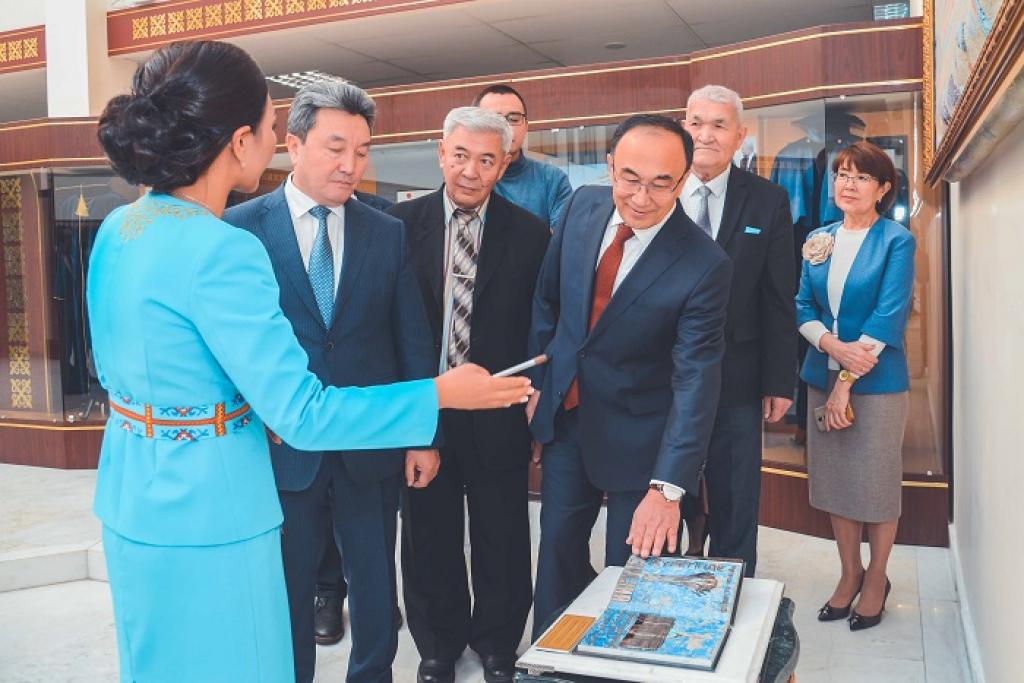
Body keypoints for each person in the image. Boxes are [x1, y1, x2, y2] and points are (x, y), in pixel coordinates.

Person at [90, 41, 532, 682]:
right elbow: (303, 413)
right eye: (271, 125)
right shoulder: (224, 247)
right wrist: (439, 394)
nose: (276, 137)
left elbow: (122, 369)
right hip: (213, 503)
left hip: (132, 491)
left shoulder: (120, 227)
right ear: (241, 141)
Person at [222, 80, 436, 683]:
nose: (350, 165)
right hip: (283, 447)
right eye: (336, 148)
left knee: (375, 587)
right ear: (293, 144)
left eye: (362, 152)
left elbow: (411, 338)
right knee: (289, 591)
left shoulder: (385, 230)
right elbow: (226, 349)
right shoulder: (240, 228)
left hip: (369, 444)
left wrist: (423, 434)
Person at [527, 114, 733, 638]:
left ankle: (616, 665)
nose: (641, 198)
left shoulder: (704, 263)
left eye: (661, 183)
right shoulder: (582, 206)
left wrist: (668, 489)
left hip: (643, 443)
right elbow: (548, 302)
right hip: (568, 422)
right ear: (610, 168)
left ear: (683, 181)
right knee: (556, 556)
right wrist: (540, 386)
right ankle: (551, 663)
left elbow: (695, 380)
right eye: (630, 179)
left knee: (633, 578)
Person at [386, 107, 550, 683]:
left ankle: (498, 642)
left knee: (502, 531)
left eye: (486, 160)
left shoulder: (531, 234)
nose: (471, 171)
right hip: (424, 405)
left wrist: (534, 402)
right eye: (460, 155)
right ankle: (437, 644)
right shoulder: (397, 227)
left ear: (503, 165)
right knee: (427, 532)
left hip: (498, 408)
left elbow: (540, 325)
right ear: (441, 154)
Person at [796, 141, 915, 631]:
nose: (848, 184)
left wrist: (845, 378)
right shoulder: (819, 238)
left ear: (883, 189)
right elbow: (803, 305)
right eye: (842, 174)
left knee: (876, 483)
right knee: (836, 482)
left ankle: (877, 576)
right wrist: (830, 345)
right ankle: (850, 573)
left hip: (877, 380)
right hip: (821, 374)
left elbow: (889, 315)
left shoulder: (896, 240)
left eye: (862, 177)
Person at [681, 85, 797, 576]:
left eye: (718, 125)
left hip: (738, 374)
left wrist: (779, 380)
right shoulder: (657, 190)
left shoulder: (767, 200)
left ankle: (733, 591)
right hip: (659, 375)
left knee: (735, 494)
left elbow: (778, 296)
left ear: (740, 135)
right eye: (695, 123)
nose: (705, 135)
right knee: (664, 490)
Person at [473, 84, 572, 228]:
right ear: (475, 127)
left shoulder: (552, 180)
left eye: (514, 119)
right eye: (494, 120)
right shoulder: (467, 177)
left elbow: (564, 236)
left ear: (526, 126)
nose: (506, 128)